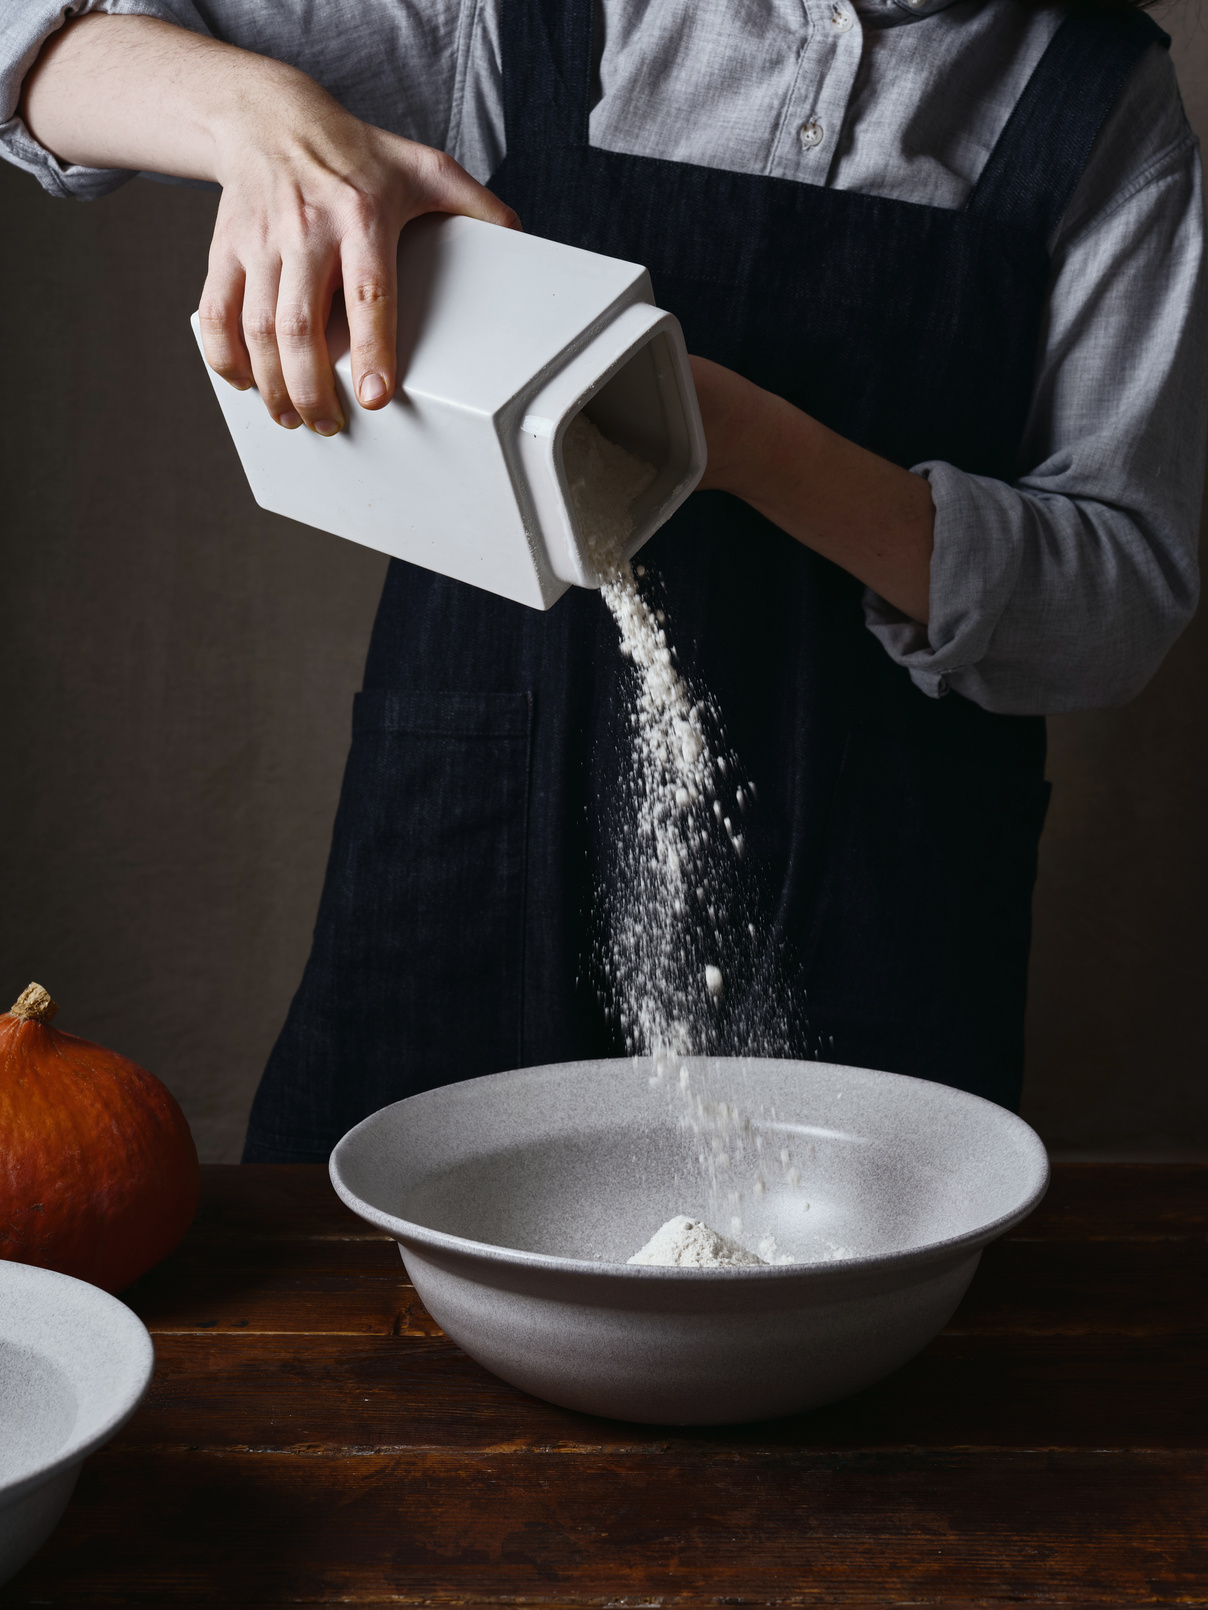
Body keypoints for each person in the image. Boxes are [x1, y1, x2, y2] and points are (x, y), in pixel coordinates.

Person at [4, 0, 1204, 1161]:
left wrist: (742, 445)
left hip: (875, 869)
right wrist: (256, 115)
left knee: (819, 1316)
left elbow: (1116, 602)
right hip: (478, 815)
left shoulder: (1098, 105)